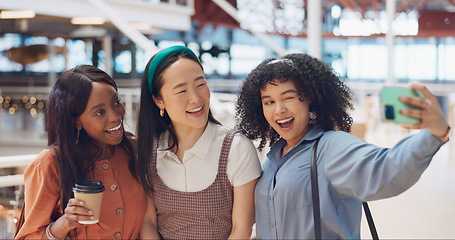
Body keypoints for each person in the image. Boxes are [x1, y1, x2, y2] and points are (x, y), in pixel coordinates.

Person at [235, 53, 451, 239]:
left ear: (309, 98)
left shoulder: (330, 147)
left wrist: (435, 133)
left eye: (288, 97)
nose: (279, 109)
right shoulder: (274, 157)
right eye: (269, 102)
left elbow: (386, 169)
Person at [137, 45, 262, 239]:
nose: (196, 98)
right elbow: (148, 223)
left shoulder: (236, 148)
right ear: (158, 101)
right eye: (181, 91)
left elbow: (242, 229)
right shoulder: (150, 151)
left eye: (200, 84)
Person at [15, 65, 146, 239]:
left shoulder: (133, 151)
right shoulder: (50, 163)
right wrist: (64, 223)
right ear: (75, 121)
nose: (115, 116)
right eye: (100, 112)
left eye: (116, 102)